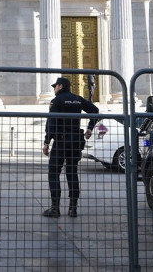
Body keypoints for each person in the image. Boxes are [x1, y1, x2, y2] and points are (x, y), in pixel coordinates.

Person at [42, 77, 98, 218]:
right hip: (75, 141)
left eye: (55, 86)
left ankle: (55, 208)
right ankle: (73, 209)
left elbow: (52, 122)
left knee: (54, 172)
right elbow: (95, 110)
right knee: (72, 172)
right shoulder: (78, 99)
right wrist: (90, 127)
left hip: (61, 141)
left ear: (60, 86)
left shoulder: (57, 101)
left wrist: (47, 141)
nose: (54, 89)